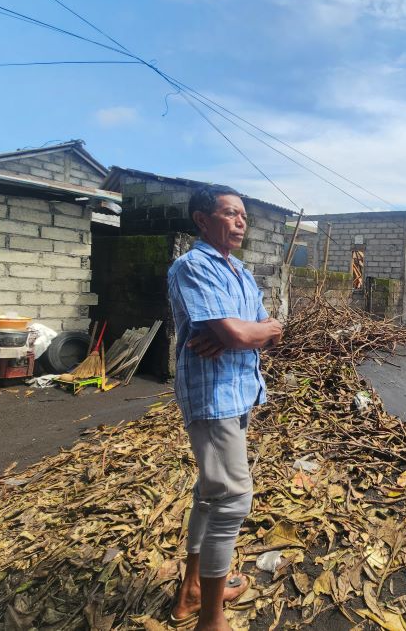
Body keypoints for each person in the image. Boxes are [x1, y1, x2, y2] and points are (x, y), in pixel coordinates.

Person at [167, 184, 283, 631]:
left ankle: (192, 591)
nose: (241, 222)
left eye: (243, 216)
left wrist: (255, 329)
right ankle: (210, 620)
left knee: (210, 493)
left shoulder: (240, 272)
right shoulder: (193, 266)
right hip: (212, 397)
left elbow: (269, 334)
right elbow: (238, 335)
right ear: (202, 219)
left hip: (239, 391)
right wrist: (241, 332)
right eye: (231, 214)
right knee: (232, 499)